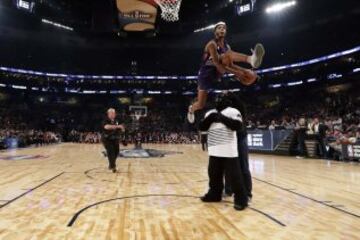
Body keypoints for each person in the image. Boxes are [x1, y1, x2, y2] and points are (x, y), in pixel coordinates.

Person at [187, 21, 265, 124]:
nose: (222, 29)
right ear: (215, 32)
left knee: (228, 55)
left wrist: (244, 71)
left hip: (219, 71)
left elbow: (231, 65)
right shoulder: (212, 44)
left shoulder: (227, 47)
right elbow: (217, 64)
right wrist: (237, 73)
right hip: (206, 75)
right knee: (201, 104)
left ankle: (251, 59)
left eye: (224, 28)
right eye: (219, 28)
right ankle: (191, 110)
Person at [199, 94, 248, 211]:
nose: (217, 101)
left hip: (229, 151)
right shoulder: (210, 113)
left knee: (235, 178)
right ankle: (214, 195)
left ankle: (241, 200)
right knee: (214, 176)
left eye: (220, 100)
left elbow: (238, 126)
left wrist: (221, 117)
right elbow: (202, 127)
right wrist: (210, 118)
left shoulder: (233, 111)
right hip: (214, 150)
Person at [101, 108, 125, 173]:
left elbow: (122, 127)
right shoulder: (105, 119)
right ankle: (113, 166)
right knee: (111, 151)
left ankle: (111, 164)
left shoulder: (117, 120)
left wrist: (122, 129)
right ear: (108, 114)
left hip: (115, 139)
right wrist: (117, 126)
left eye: (114, 113)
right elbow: (106, 127)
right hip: (106, 139)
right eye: (111, 113)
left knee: (116, 152)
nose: (113, 114)